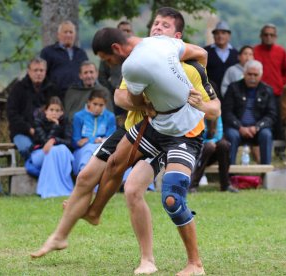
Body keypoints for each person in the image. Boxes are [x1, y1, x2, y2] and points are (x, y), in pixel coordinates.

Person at [31, 7, 220, 276]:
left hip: (185, 135)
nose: (156, 29)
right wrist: (143, 104)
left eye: (164, 26)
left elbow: (214, 108)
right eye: (154, 24)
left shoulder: (188, 69)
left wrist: (199, 102)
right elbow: (121, 97)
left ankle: (195, 264)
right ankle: (142, 256)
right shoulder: (138, 63)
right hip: (151, 129)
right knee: (126, 182)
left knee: (171, 199)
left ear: (176, 37)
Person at [222, 60, 277, 165]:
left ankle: (265, 173)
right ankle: (230, 174)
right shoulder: (233, 88)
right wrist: (240, 127)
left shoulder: (267, 90)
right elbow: (227, 112)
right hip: (236, 128)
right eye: (249, 74)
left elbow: (271, 115)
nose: (252, 78)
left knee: (266, 134)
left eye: (255, 75)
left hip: (258, 129)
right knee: (232, 136)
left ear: (261, 75)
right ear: (244, 73)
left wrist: (257, 127)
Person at [7, 57, 60, 160]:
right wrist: (29, 129)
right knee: (26, 148)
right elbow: (12, 114)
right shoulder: (18, 88)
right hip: (22, 132)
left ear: (45, 72)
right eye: (35, 70)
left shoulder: (52, 89)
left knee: (55, 150)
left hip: (46, 132)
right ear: (29, 71)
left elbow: (59, 111)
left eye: (41, 70)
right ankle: (33, 168)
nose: (38, 73)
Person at [254, 23, 286, 160]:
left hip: (277, 93)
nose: (268, 37)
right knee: (261, 120)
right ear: (261, 36)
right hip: (259, 93)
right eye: (266, 34)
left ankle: (281, 151)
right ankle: (260, 151)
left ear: (275, 36)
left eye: (271, 35)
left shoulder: (281, 51)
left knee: (279, 121)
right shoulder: (255, 51)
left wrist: (281, 83)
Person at [28, 96, 74, 198]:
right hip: (39, 154)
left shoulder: (65, 122)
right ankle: (50, 188)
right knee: (53, 151)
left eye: (57, 110)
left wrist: (54, 140)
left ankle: (62, 186)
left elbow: (68, 142)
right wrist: (55, 126)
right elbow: (45, 144)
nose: (54, 113)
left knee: (59, 149)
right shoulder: (38, 122)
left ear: (62, 112)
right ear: (45, 111)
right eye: (51, 110)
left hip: (58, 153)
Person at [98, 21, 134, 127]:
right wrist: (111, 91)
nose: (125, 33)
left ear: (132, 32)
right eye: (122, 31)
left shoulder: (137, 52)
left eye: (128, 30)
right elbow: (102, 76)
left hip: (133, 94)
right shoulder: (109, 53)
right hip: (115, 95)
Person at [72, 89, 116, 175]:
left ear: (105, 105)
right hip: (82, 152)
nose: (97, 108)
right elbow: (75, 142)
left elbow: (110, 140)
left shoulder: (110, 117)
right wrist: (94, 140)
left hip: (102, 149)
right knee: (89, 149)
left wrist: (87, 140)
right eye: (95, 104)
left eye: (101, 105)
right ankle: (84, 176)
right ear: (88, 102)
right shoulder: (78, 116)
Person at [40, 20, 89, 98]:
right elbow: (42, 75)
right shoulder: (48, 52)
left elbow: (87, 72)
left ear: (75, 35)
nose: (68, 35)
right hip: (55, 97)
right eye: (65, 32)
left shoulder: (81, 53)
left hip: (78, 96)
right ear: (58, 35)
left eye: (71, 32)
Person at [190, 116, 237, 193]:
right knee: (209, 147)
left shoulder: (216, 114)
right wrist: (209, 143)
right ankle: (192, 185)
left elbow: (219, 135)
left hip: (212, 152)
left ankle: (225, 185)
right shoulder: (196, 115)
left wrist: (212, 141)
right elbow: (196, 138)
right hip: (199, 152)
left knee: (224, 145)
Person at [204, 20, 238, 99]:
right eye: (217, 33)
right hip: (210, 93)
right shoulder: (205, 52)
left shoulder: (236, 54)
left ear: (229, 36)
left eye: (223, 33)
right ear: (213, 36)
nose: (220, 36)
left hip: (231, 95)